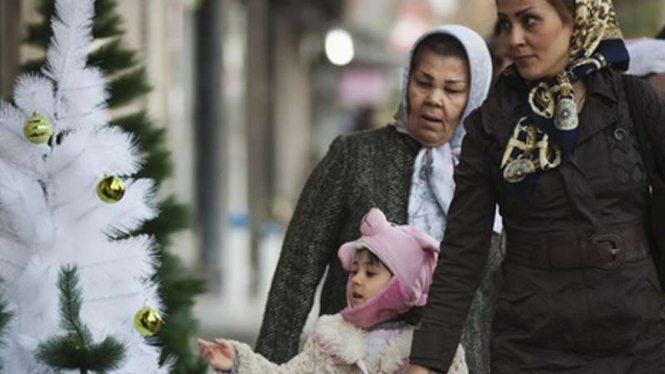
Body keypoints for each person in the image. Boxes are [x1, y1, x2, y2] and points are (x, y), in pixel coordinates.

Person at [406, 0, 665, 373]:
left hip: (640, 338)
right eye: (505, 23)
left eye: (529, 21)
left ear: (575, 19)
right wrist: (427, 363)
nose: (514, 39)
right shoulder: (492, 126)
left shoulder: (632, 101)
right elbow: (463, 253)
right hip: (534, 344)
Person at [255, 25, 501, 374]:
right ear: (406, 83)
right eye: (424, 82)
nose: (434, 99)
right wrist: (267, 365)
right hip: (353, 363)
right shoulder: (353, 156)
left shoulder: (490, 174)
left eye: (452, 89)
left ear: (473, 96)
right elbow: (296, 272)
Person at [198, 208, 468, 374]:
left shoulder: (429, 348)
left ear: (404, 287)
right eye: (354, 271)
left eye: (370, 272)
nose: (357, 280)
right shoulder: (330, 341)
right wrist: (239, 362)